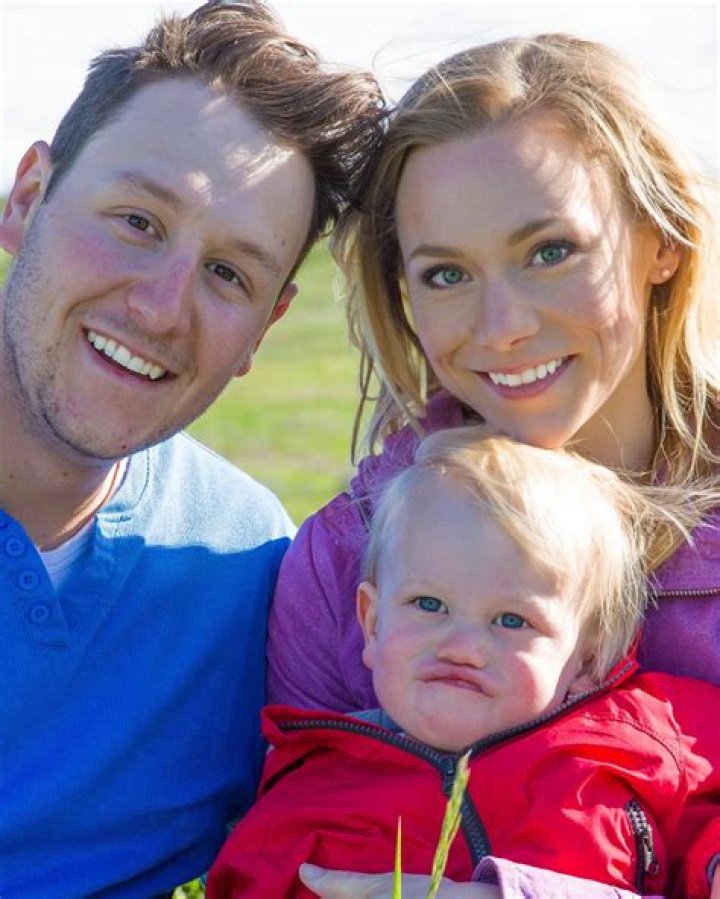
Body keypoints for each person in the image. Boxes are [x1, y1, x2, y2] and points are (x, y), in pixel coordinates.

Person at [267, 32, 719, 899]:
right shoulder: (344, 560)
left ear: (661, 239)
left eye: (550, 251)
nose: (502, 326)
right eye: (446, 274)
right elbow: (284, 845)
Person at [0, 2, 384, 895]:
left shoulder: (249, 567)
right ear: (27, 199)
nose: (162, 308)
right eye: (137, 221)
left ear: (264, 329)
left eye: (227, 274)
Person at [209, 427, 720, 898]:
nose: (461, 647)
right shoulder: (314, 789)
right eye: (429, 605)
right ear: (372, 623)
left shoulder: (644, 743)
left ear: (589, 658)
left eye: (512, 620)